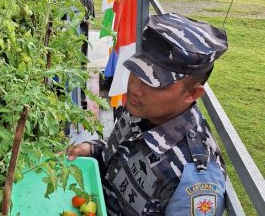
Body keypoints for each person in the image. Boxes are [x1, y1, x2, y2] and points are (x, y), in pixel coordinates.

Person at [67, 13, 228, 216]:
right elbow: (119, 155)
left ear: (192, 94)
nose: (135, 88)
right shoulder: (142, 109)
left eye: (155, 82)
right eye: (138, 71)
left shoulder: (193, 177)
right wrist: (92, 150)